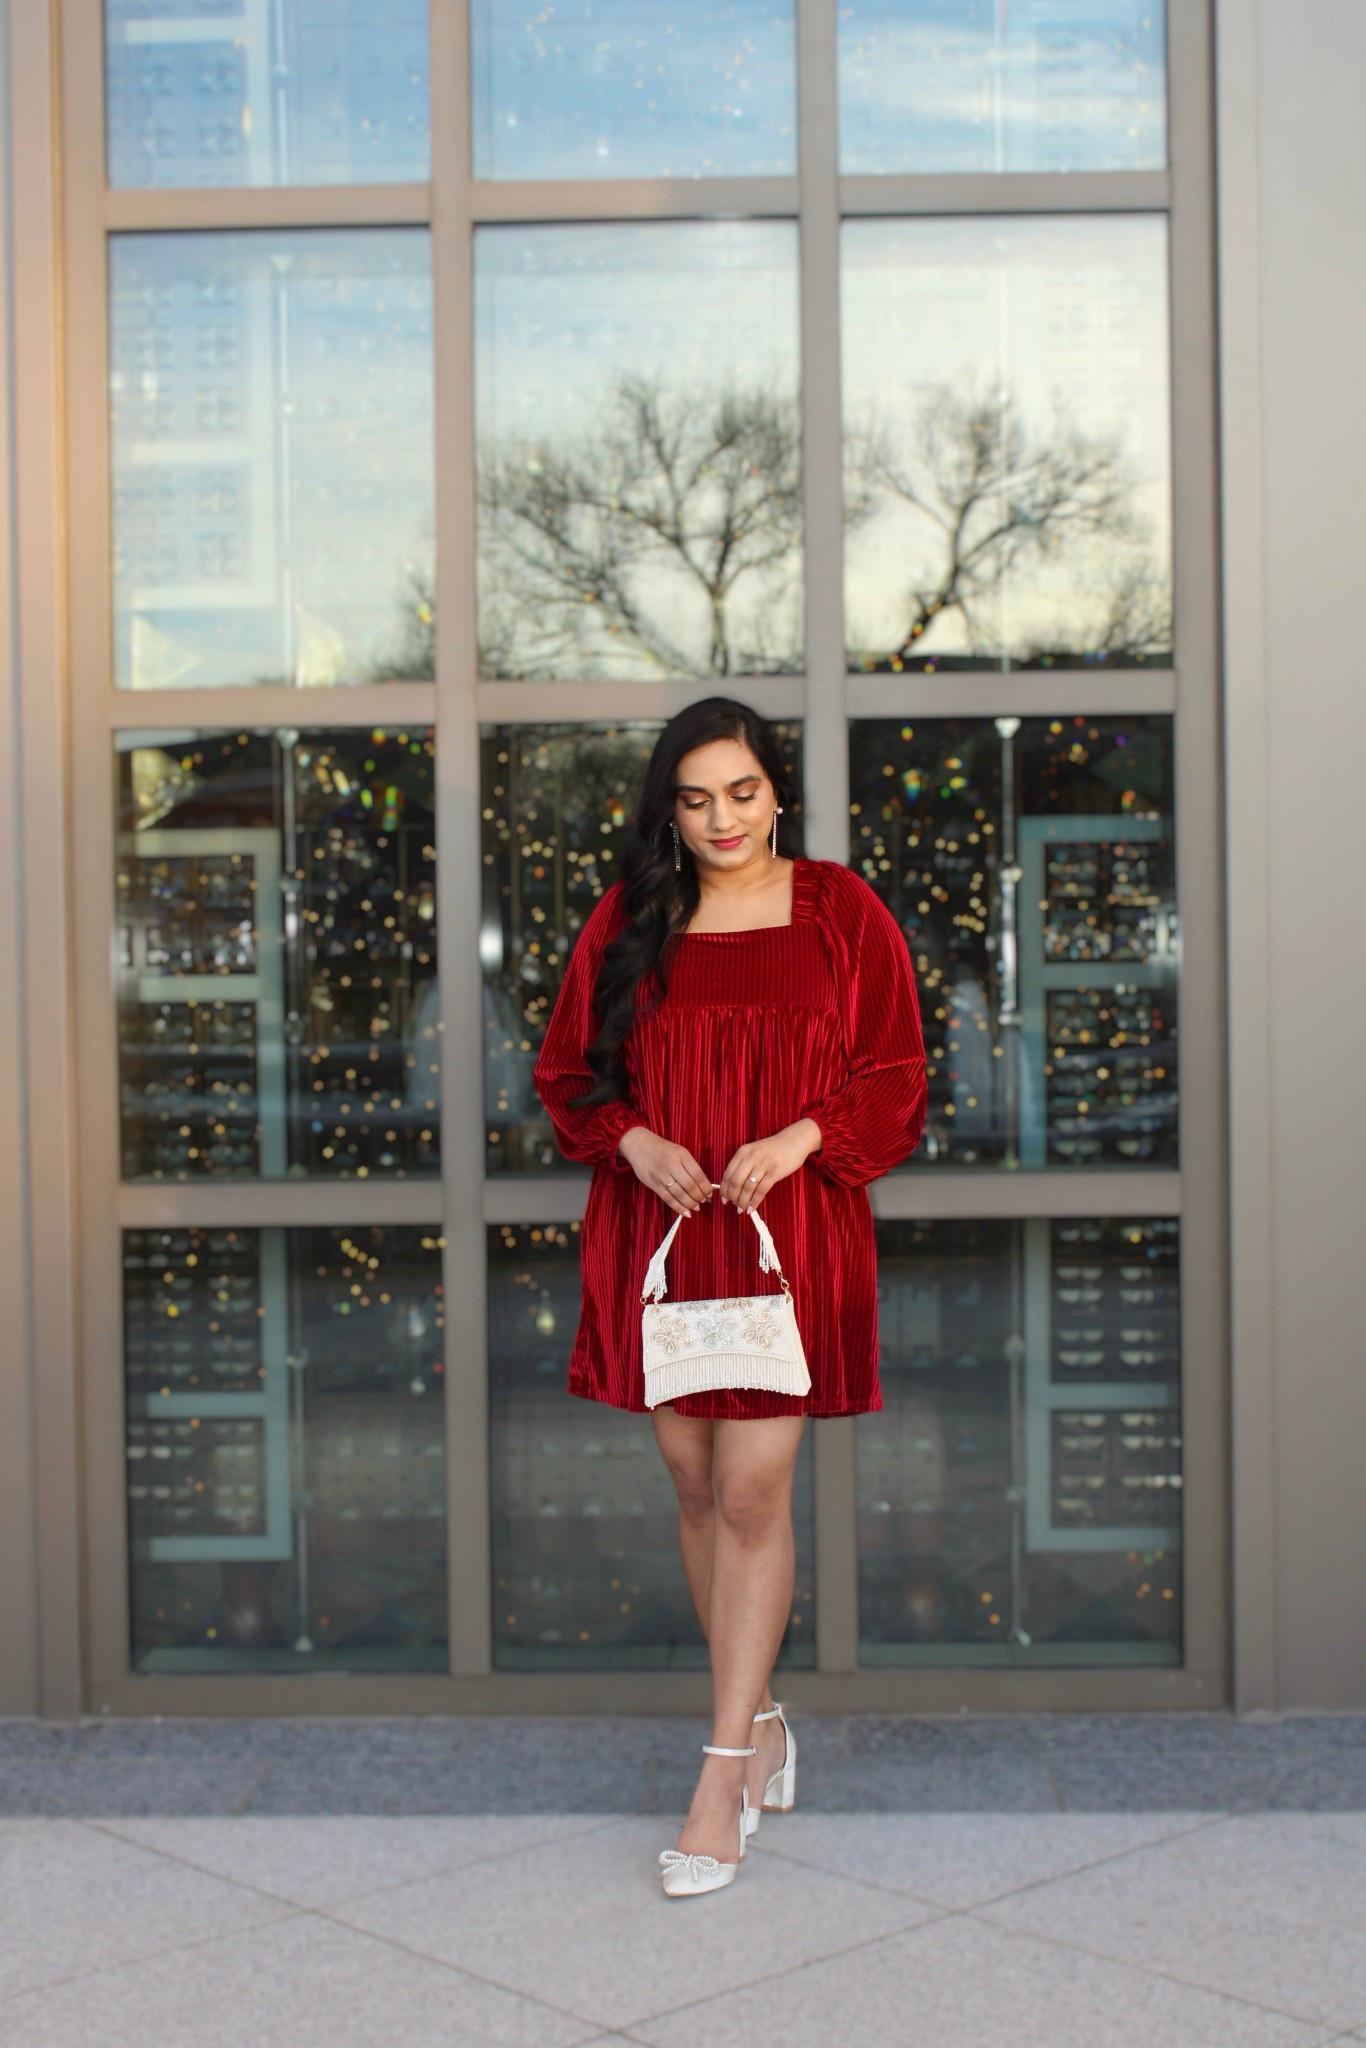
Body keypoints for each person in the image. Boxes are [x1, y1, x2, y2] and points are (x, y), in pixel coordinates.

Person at [532, 695, 928, 1897]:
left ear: (778, 791)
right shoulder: (631, 917)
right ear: (669, 807)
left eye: (742, 792)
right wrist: (634, 1139)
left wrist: (807, 1130)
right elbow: (564, 1072)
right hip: (664, 1229)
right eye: (694, 798)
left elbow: (898, 1071)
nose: (720, 819)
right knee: (698, 1486)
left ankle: (717, 1771)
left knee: (755, 1487)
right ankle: (757, 1718)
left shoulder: (839, 910)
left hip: (785, 1235)